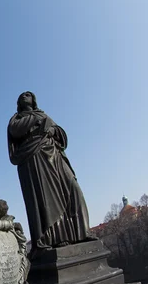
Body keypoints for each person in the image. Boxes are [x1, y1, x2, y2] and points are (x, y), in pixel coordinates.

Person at [7, 92, 92, 252]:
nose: (25, 96)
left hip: (54, 153)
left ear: (34, 100)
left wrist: (53, 131)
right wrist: (38, 121)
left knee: (73, 188)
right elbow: (16, 131)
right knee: (48, 198)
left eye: (28, 95)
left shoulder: (42, 114)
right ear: (19, 103)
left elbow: (60, 133)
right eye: (22, 96)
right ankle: (58, 238)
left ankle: (83, 231)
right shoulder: (16, 119)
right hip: (36, 157)